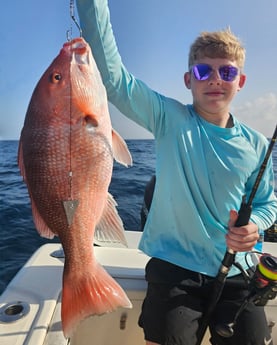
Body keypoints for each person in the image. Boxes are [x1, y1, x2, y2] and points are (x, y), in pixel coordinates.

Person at [76, 1, 277, 344]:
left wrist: (254, 226)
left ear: (240, 81)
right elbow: (114, 79)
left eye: (226, 72)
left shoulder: (258, 144)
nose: (215, 80)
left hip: (237, 271)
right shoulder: (169, 118)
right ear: (188, 79)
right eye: (203, 72)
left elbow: (267, 203)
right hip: (175, 270)